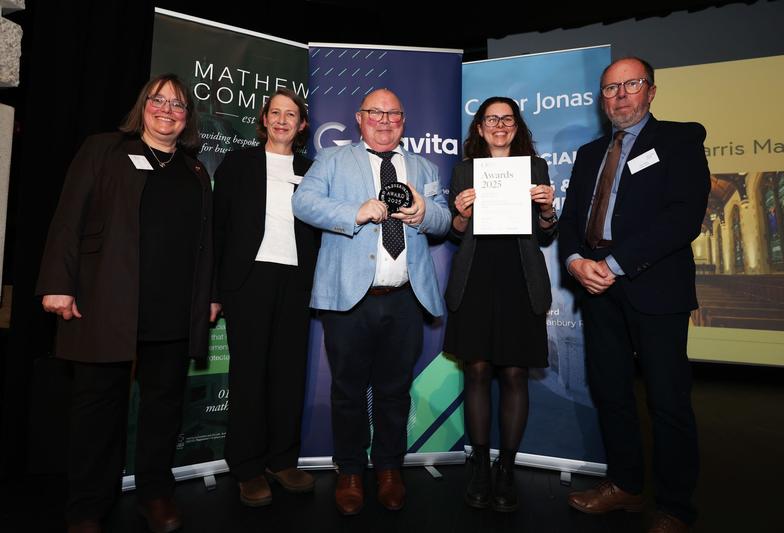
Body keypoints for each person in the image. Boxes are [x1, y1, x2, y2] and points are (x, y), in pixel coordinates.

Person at [36, 73, 217, 533]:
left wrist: (209, 296)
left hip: (171, 309)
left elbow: (206, 244)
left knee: (163, 408)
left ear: (187, 118)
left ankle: (155, 493)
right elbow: (68, 217)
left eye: (178, 105)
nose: (167, 110)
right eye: (159, 100)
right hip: (105, 301)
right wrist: (58, 283)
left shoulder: (195, 171)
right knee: (97, 409)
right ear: (143, 105)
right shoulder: (104, 149)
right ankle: (87, 507)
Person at [558, 57, 710, 533]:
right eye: (610, 88)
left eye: (631, 84)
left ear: (651, 90)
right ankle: (625, 485)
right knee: (611, 392)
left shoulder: (680, 140)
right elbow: (571, 221)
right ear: (601, 99)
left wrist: (614, 264)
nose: (621, 94)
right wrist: (574, 261)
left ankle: (675, 507)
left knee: (668, 400)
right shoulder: (589, 153)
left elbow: (682, 218)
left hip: (654, 287)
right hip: (596, 289)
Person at [292, 88, 451, 516]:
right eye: (375, 113)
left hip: (404, 299)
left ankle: (389, 468)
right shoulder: (331, 160)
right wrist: (355, 212)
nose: (385, 121)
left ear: (403, 121)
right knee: (347, 390)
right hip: (350, 297)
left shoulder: (423, 167)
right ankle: (349, 470)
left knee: (395, 390)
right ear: (360, 119)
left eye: (393, 114)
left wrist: (422, 212)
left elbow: (443, 220)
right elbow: (303, 202)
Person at [444, 96, 557, 512]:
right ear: (479, 127)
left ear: (517, 126)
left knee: (513, 372)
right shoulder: (464, 171)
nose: (499, 125)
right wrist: (459, 214)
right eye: (491, 119)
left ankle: (506, 467)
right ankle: (479, 466)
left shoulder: (535, 168)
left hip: (519, 278)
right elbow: (456, 232)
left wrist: (547, 209)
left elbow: (546, 233)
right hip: (475, 277)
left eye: (507, 119)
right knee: (476, 369)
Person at [212, 89, 319, 506]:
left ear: (301, 124)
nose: (282, 120)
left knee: (288, 374)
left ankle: (282, 460)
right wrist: (215, 290)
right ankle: (247, 465)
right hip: (248, 279)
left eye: (291, 114)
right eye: (275, 112)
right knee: (249, 374)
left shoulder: (312, 170)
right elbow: (218, 228)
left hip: (297, 281)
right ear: (264, 119)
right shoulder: (238, 163)